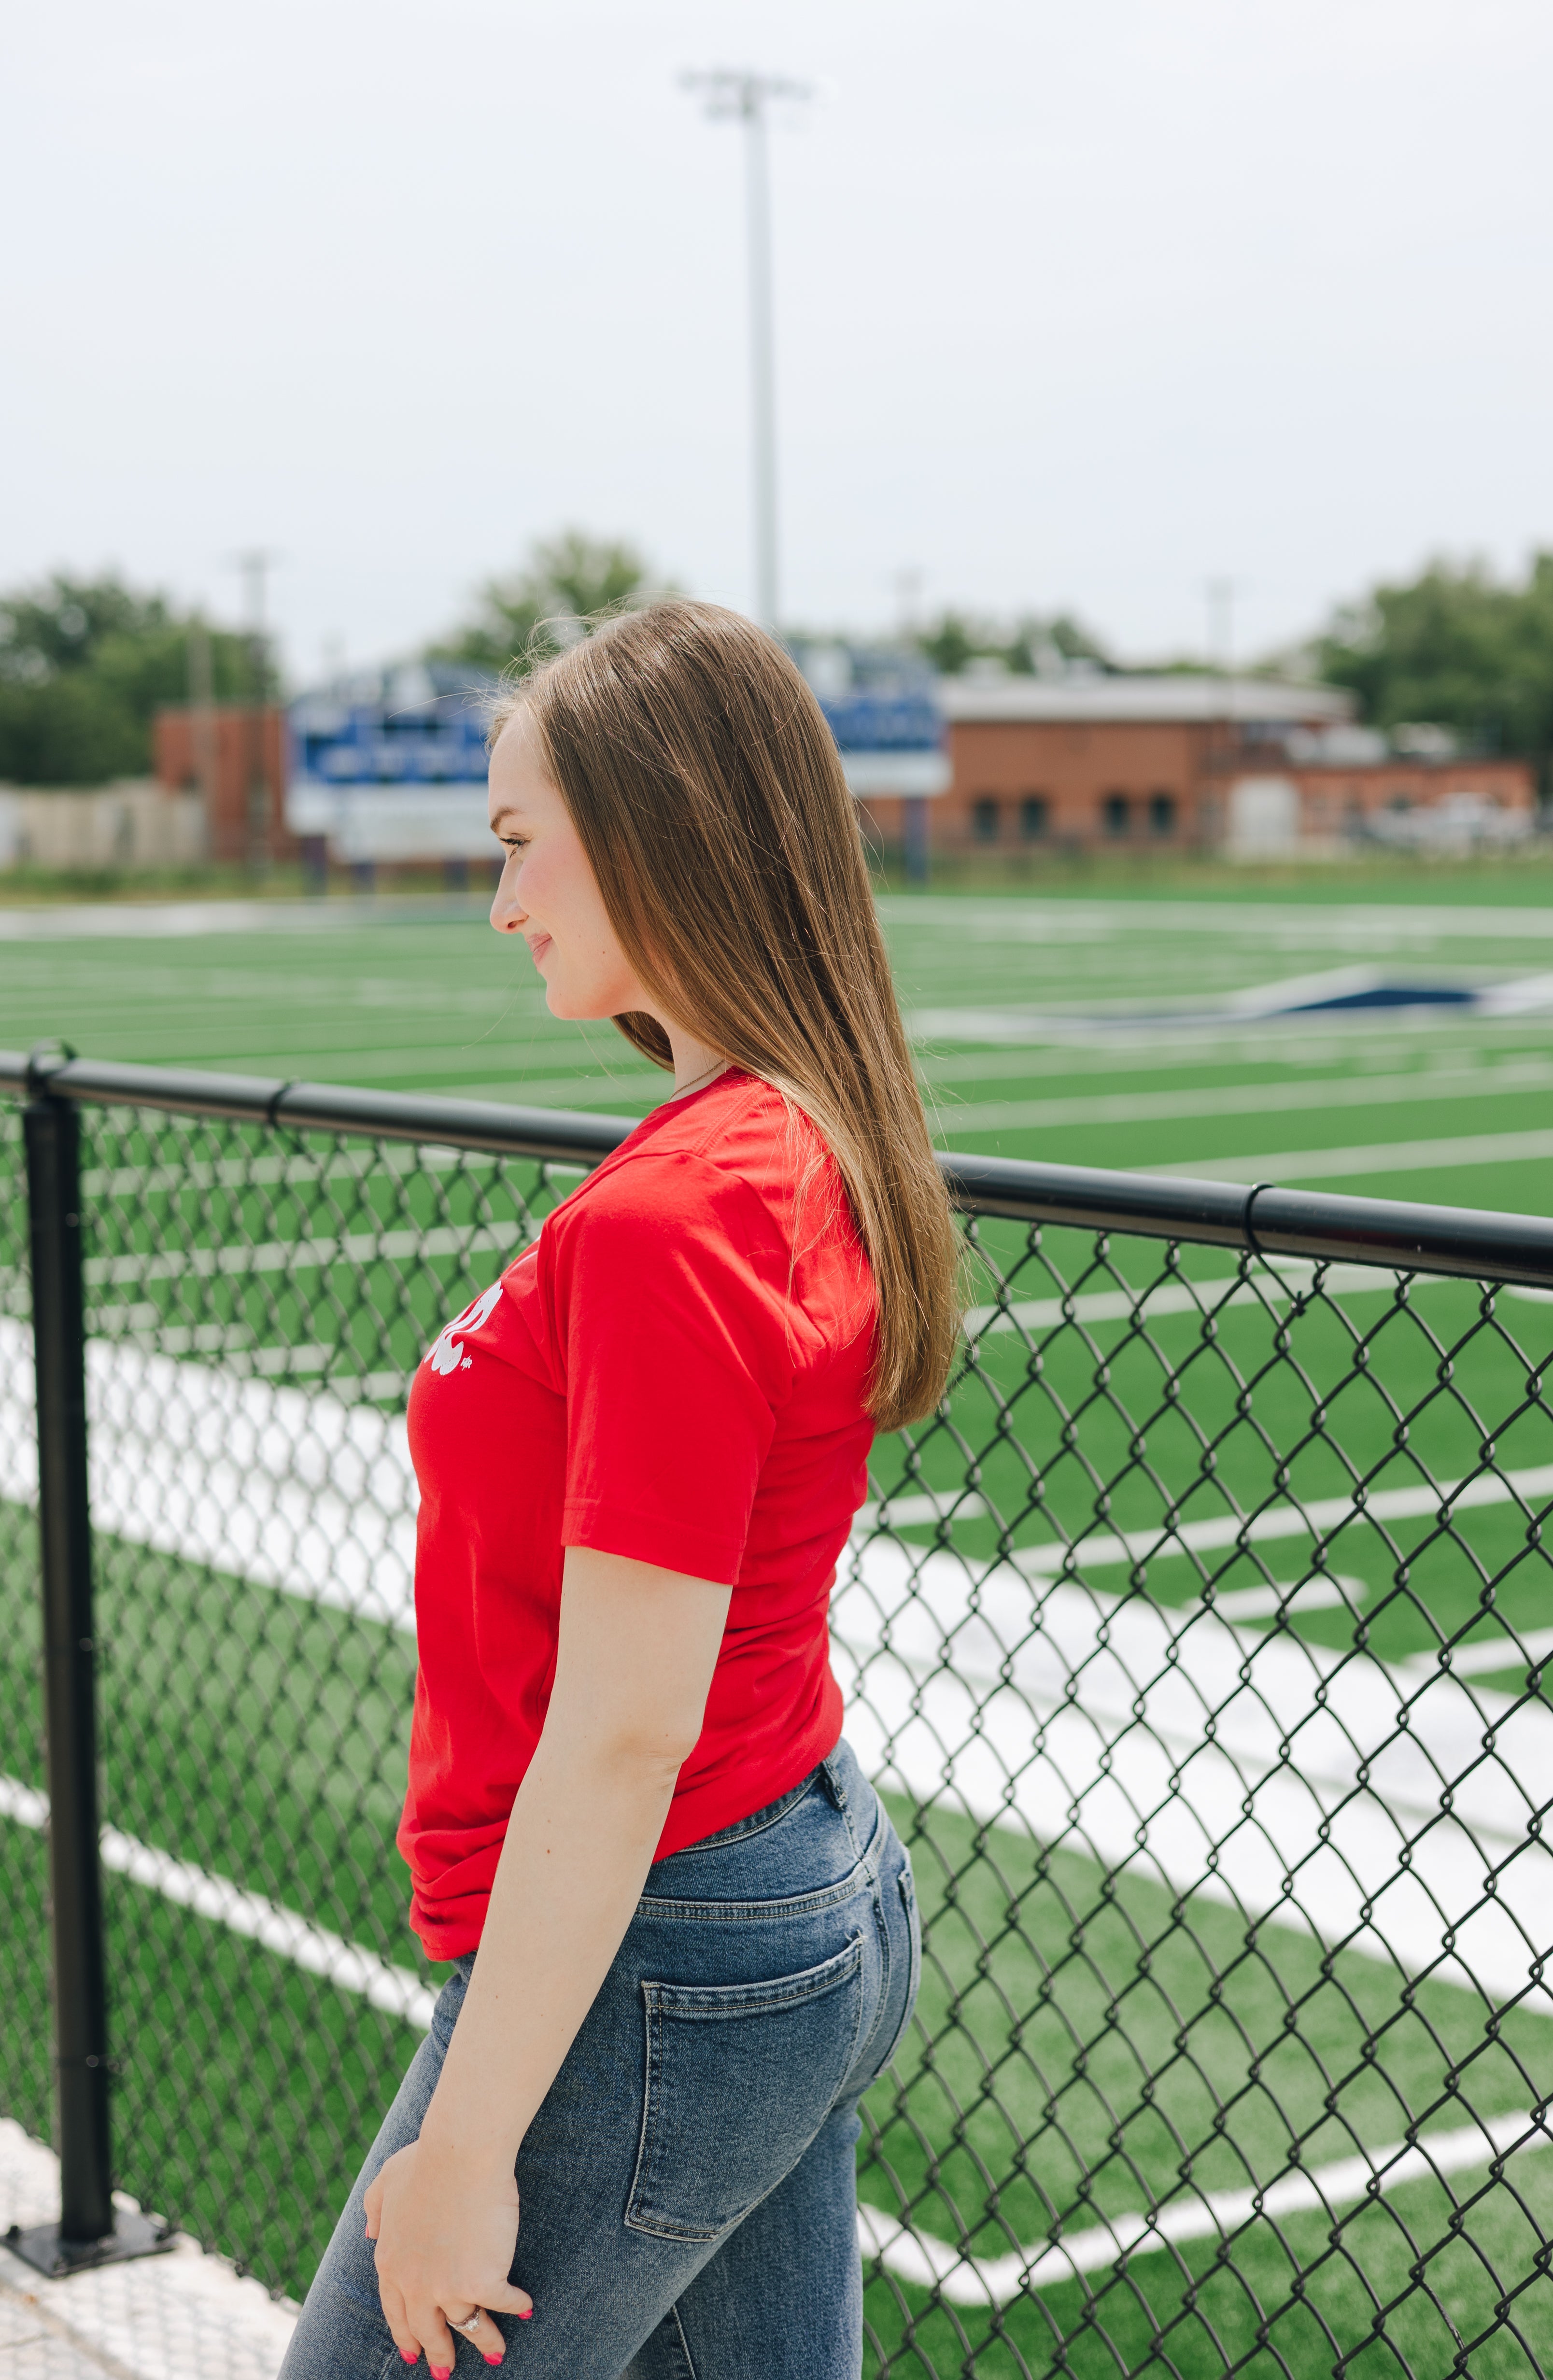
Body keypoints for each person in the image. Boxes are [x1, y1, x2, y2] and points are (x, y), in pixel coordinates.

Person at [278, 600, 962, 2380]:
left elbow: (623, 1724)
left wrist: (470, 2145)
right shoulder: (791, 1134)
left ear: (661, 823)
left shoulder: (683, 1212)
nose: (501, 903)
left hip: (660, 1942)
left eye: (519, 846)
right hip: (793, 1871)